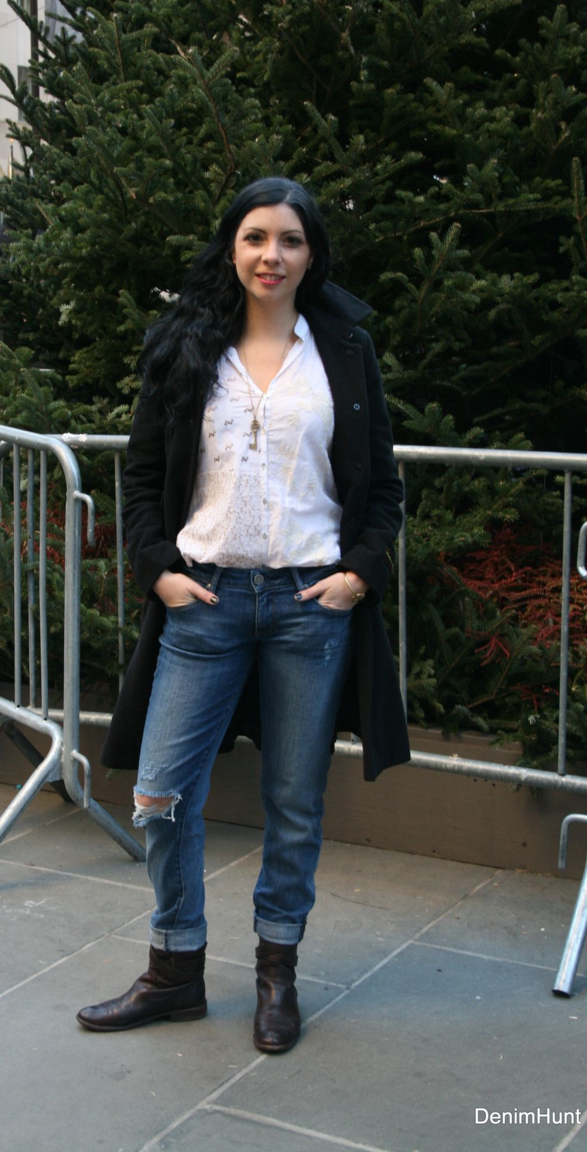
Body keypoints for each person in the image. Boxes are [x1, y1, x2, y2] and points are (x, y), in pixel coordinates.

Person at [77, 178, 410, 1053]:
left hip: (310, 607)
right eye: (256, 237)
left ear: (312, 254)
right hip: (207, 601)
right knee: (160, 794)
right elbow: (143, 476)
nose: (272, 255)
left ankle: (277, 973)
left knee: (294, 801)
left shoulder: (344, 348)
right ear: (232, 246)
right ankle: (174, 969)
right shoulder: (187, 344)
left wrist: (358, 576)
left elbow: (383, 489)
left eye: (290, 240)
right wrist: (157, 571)